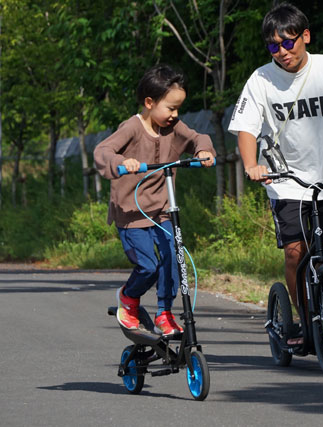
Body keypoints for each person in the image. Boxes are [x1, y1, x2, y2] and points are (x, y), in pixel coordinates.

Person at [228, 2, 323, 342]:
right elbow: (245, 130)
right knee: (295, 253)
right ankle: (303, 320)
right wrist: (252, 165)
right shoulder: (261, 80)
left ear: (306, 36)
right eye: (273, 45)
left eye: (288, 42)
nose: (282, 51)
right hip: (286, 184)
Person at [94, 64, 216, 335]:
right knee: (148, 265)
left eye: (178, 109)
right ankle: (128, 298)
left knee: (174, 256)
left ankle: (164, 313)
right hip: (132, 212)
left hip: (162, 209)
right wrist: (122, 161)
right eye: (170, 108)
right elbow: (102, 151)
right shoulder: (132, 127)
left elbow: (198, 138)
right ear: (149, 103)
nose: (175, 115)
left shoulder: (173, 127)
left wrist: (204, 151)